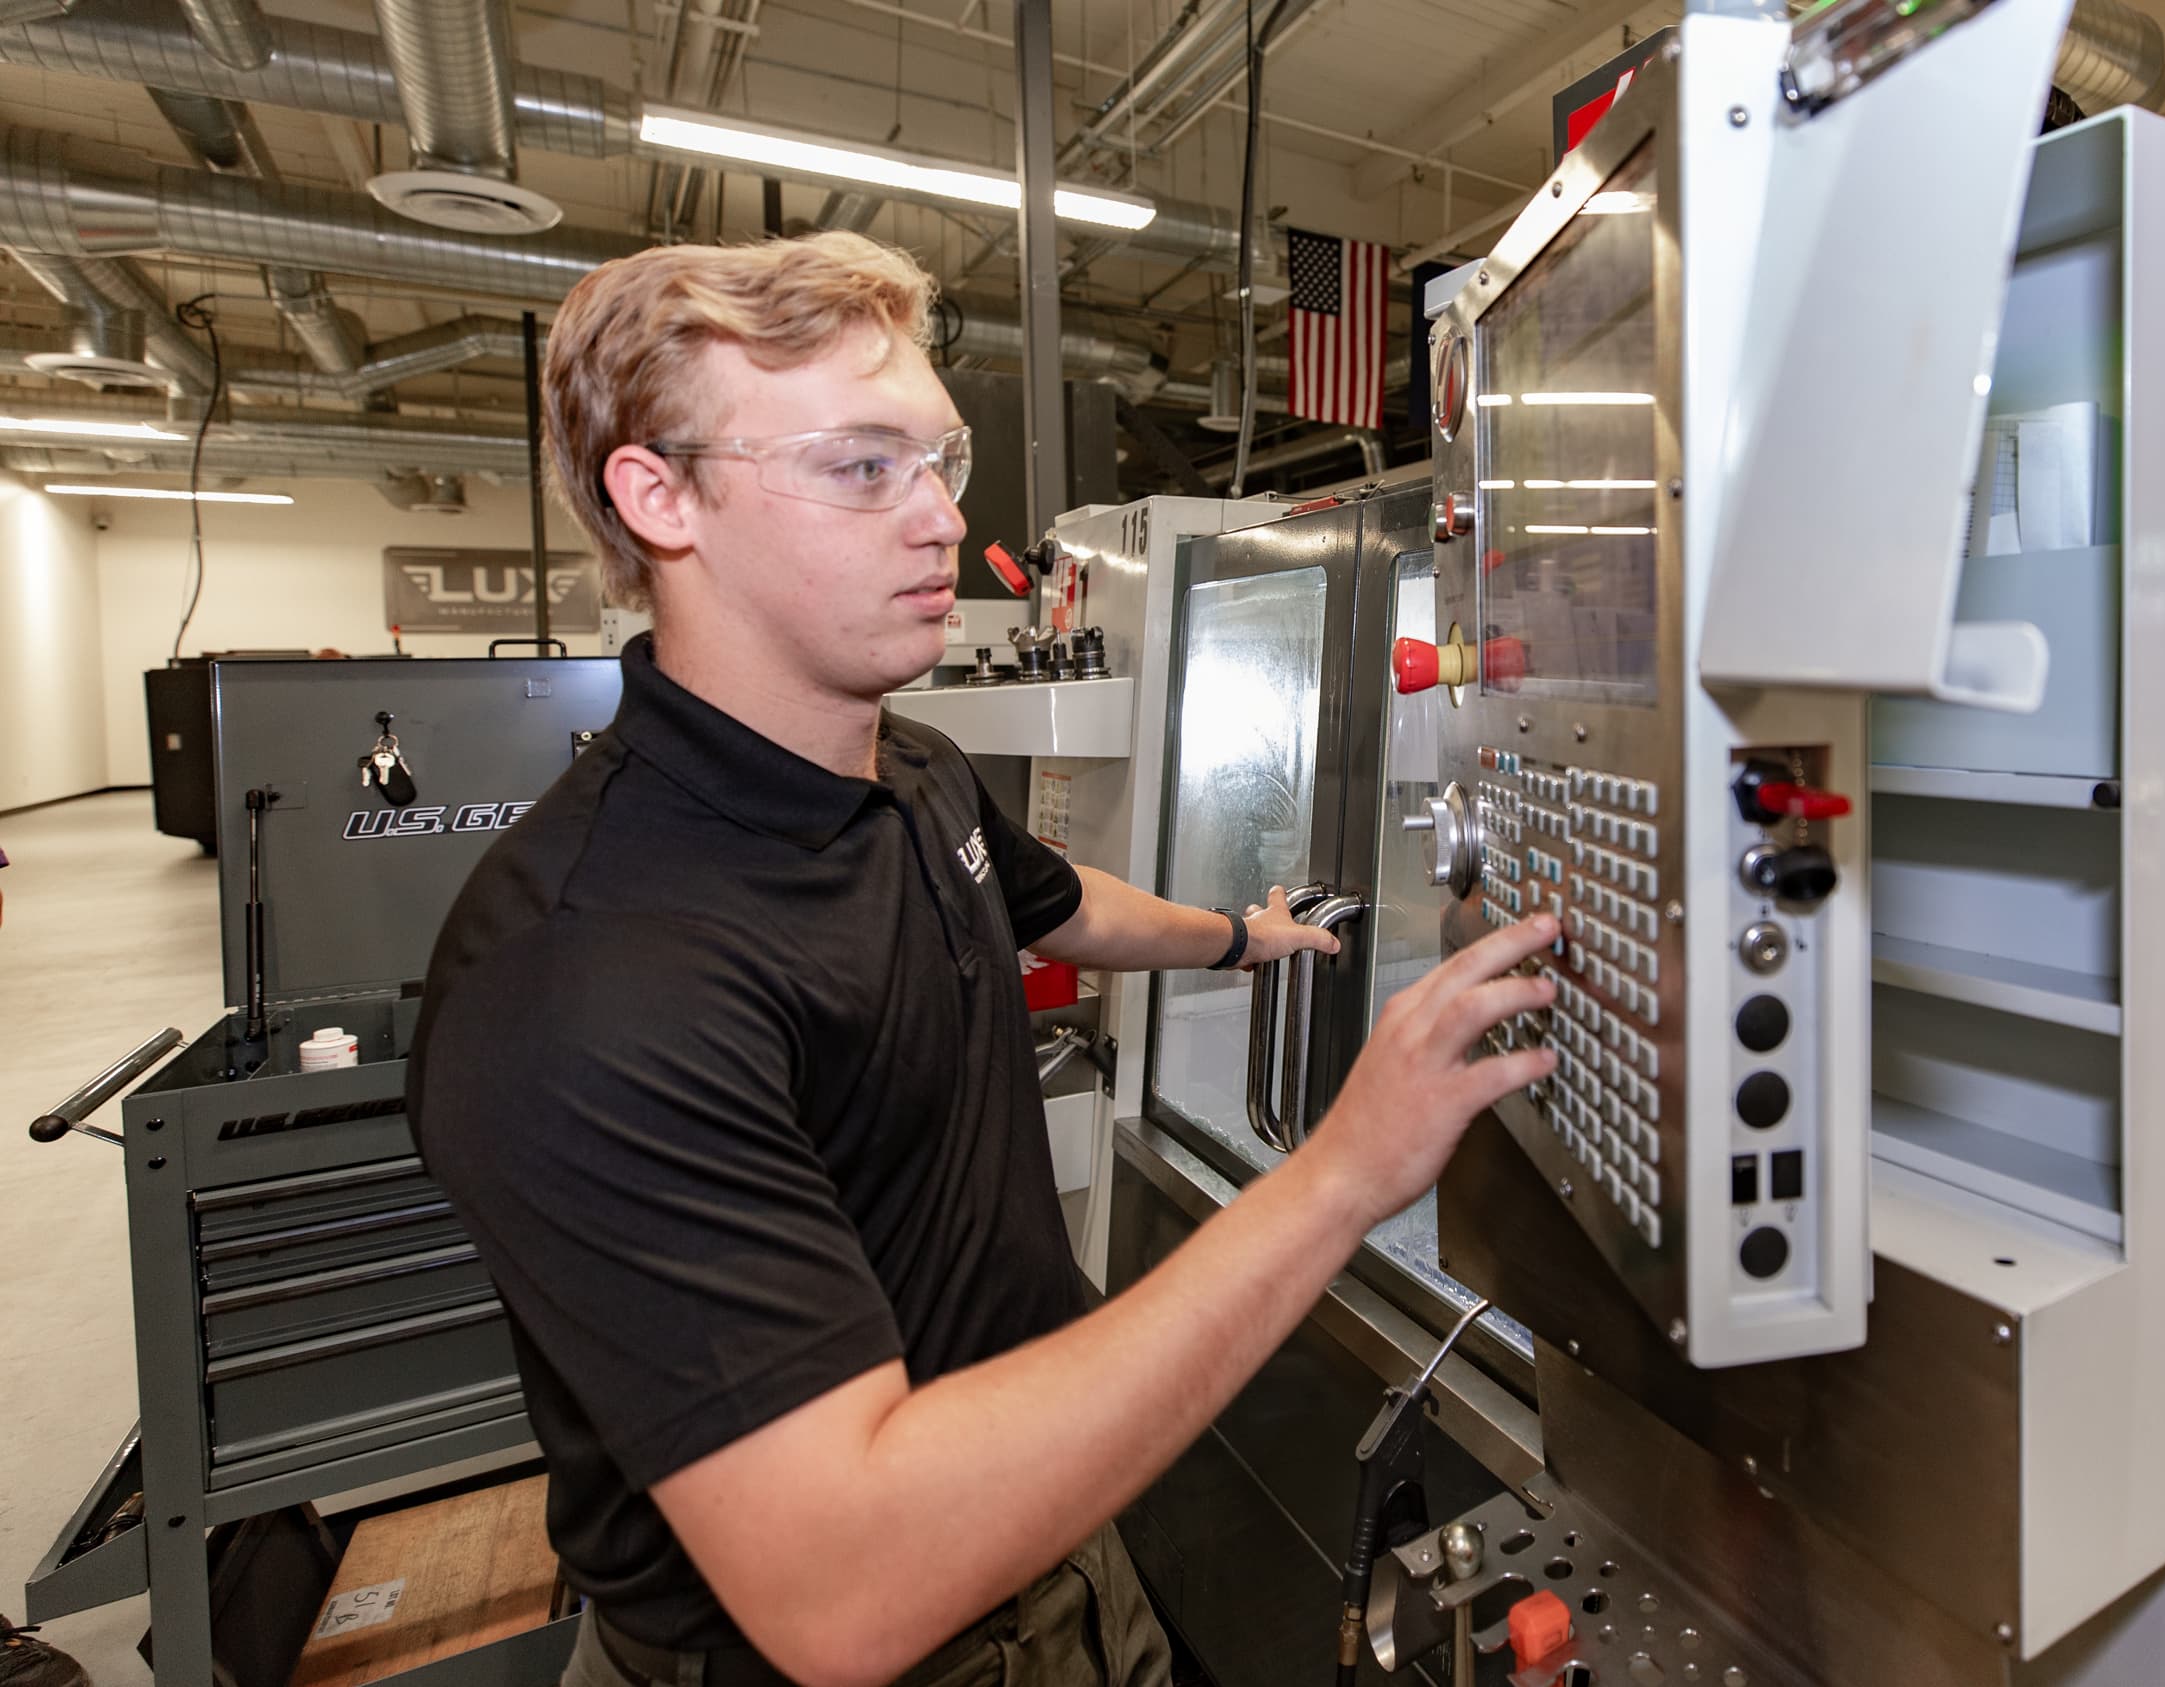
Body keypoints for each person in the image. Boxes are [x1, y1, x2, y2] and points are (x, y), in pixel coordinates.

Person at [406, 232, 1558, 1687]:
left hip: (1063, 1553)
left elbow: (1053, 899)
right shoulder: (586, 980)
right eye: (859, 466)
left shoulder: (916, 771)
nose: (943, 518)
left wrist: (1241, 938)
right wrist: (1345, 1170)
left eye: (937, 457)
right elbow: (849, 1589)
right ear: (660, 496)